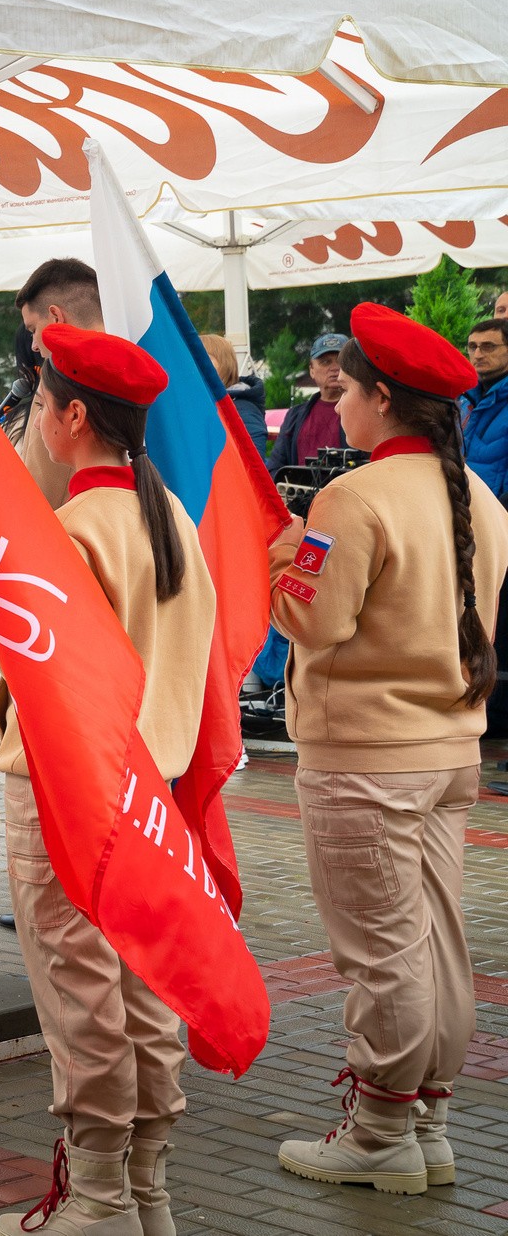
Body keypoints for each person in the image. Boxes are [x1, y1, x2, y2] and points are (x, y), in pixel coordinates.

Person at [269, 304, 506, 1195]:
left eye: (347, 392)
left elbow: (315, 621)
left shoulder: (354, 495)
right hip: (449, 750)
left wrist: (277, 558)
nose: (337, 407)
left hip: (366, 755)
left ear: (378, 398)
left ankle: (379, 1132)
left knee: (381, 951)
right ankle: (426, 1119)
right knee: (436, 939)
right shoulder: (477, 495)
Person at [0, 326, 217, 1231]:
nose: (35, 419)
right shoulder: (174, 522)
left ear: (74, 415)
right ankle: (146, 1188)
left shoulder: (73, 531)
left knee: (79, 990)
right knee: (143, 985)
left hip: (70, 795)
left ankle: (98, 1198)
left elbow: (32, 684)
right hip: (150, 794)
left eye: (40, 404)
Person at [5, 258, 105, 507]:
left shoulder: (62, 377)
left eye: (33, 329)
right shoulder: (138, 362)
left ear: (55, 317)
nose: (34, 346)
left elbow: (37, 502)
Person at [269, 332, 352, 474]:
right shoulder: (294, 417)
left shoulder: (365, 412)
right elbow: (275, 469)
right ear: (311, 370)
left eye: (341, 360)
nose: (334, 367)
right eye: (325, 362)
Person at [200, 332, 268, 452]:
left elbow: (252, 462)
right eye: (194, 359)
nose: (198, 365)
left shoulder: (244, 410)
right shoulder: (202, 404)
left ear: (225, 363)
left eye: (206, 359)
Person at [464, 318, 507, 503]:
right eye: (472, 347)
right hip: (462, 512)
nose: (478, 354)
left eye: (488, 346)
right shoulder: (462, 398)